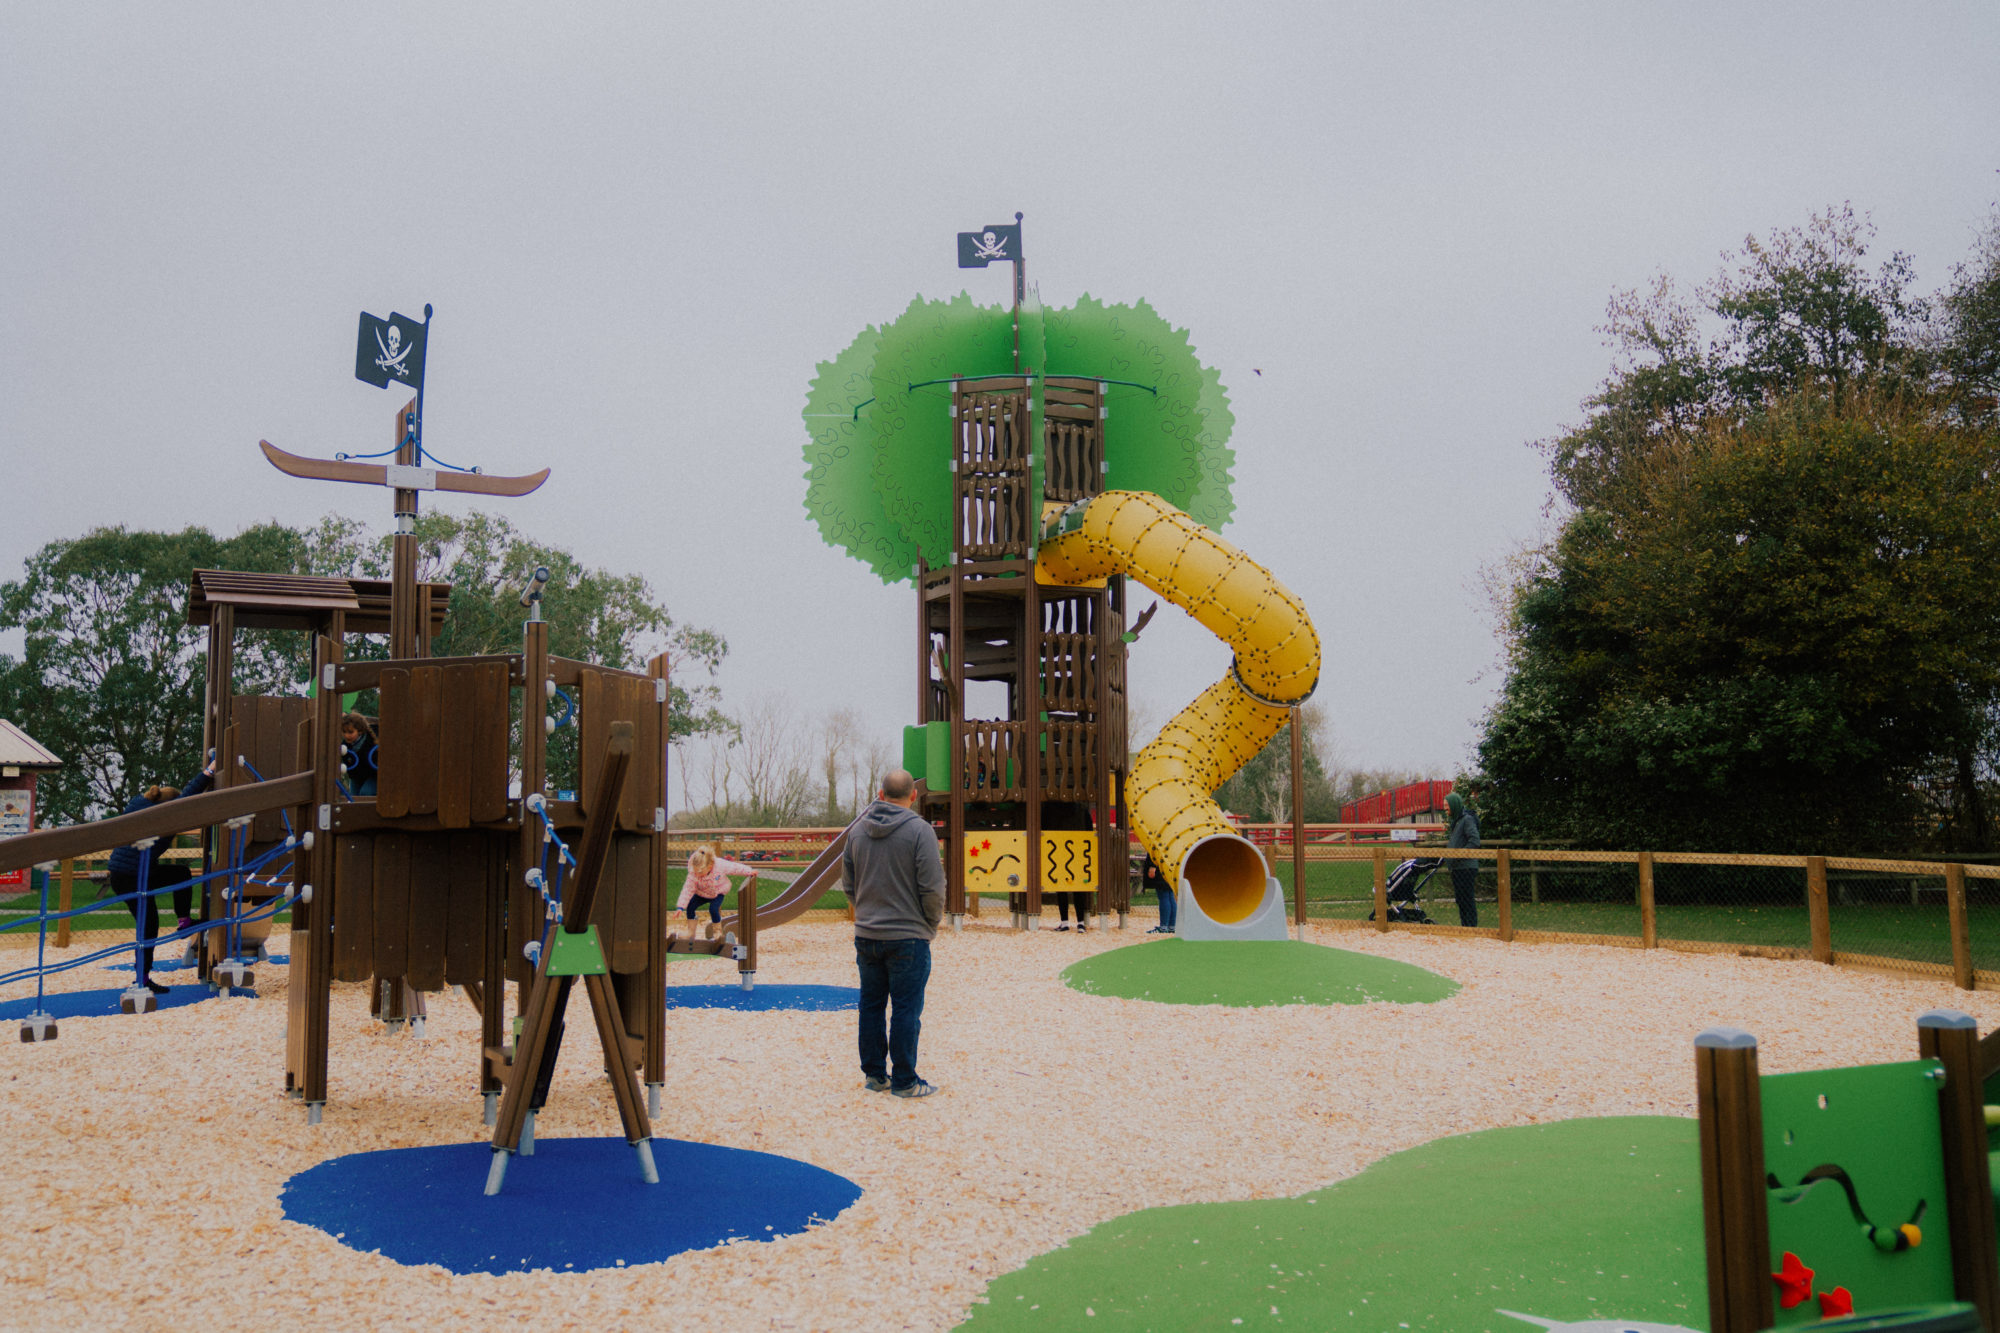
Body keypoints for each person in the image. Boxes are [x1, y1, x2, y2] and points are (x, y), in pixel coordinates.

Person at [842, 769, 944, 1098]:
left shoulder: (857, 832)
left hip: (868, 934)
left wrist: (866, 912)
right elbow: (932, 887)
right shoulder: (920, 831)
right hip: (908, 935)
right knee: (905, 1009)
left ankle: (875, 1075)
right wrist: (930, 924)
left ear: (880, 793)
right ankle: (904, 1080)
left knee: (870, 1006)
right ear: (914, 795)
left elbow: (849, 884)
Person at [107, 754, 218, 993]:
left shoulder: (138, 804)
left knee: (181, 873)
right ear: (170, 806)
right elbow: (188, 795)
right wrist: (210, 770)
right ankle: (142, 979)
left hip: (130, 872)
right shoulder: (164, 816)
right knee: (148, 926)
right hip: (132, 876)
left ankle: (184, 922)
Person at [678, 844, 756, 936]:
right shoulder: (693, 874)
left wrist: (749, 871)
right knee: (690, 906)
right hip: (701, 893)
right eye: (695, 871)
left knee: (713, 909)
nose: (697, 874)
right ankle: (691, 932)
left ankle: (717, 932)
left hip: (717, 893)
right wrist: (680, 907)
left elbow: (734, 867)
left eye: (700, 872)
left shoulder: (720, 865)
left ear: (710, 866)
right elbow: (687, 889)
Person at [1445, 791, 1481, 927]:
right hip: (1457, 867)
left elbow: (1474, 841)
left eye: (1447, 806)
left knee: (1467, 900)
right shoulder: (1457, 821)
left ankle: (1471, 928)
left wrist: (1459, 854)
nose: (1445, 809)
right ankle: (1465, 928)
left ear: (1454, 805)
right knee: (1461, 900)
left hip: (1466, 867)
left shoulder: (1467, 820)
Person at [340, 712, 378, 797]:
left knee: (365, 793)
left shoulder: (371, 742)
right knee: (353, 797)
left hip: (374, 775)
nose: (346, 735)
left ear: (360, 731)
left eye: (350, 732)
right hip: (357, 775)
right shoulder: (345, 746)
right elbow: (350, 768)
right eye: (344, 732)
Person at [1140, 849, 1175, 933]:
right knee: (1170, 896)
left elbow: (1157, 848)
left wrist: (1153, 866)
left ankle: (1163, 927)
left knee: (1164, 896)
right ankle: (1172, 926)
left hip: (1161, 865)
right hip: (1171, 864)